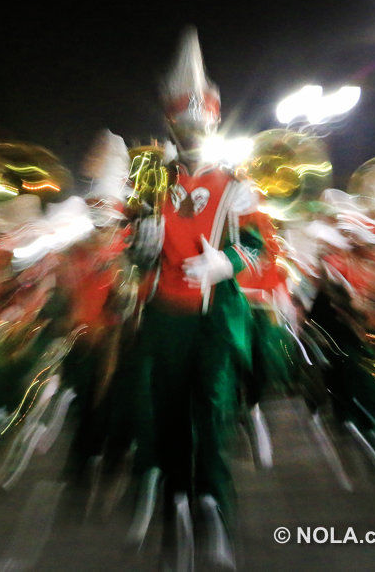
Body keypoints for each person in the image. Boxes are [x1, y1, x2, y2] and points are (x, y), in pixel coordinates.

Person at [129, 28, 265, 569]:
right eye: (182, 124)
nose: (191, 131)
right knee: (166, 416)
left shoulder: (236, 183)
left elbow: (259, 247)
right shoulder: (149, 179)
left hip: (214, 319)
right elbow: (129, 245)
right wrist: (139, 246)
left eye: (200, 122)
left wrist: (224, 263)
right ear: (171, 123)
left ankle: (215, 506)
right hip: (165, 317)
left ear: (212, 121)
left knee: (211, 412)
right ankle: (174, 508)